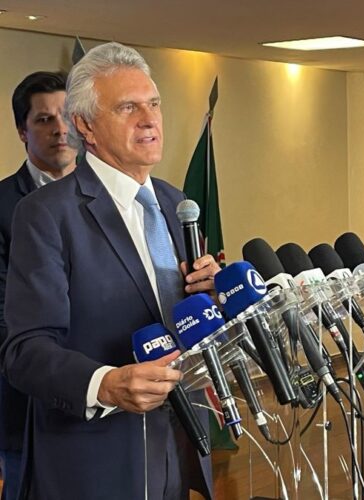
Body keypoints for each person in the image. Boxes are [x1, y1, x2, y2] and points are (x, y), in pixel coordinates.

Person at [0, 42, 219, 499]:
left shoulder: (175, 202)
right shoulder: (46, 213)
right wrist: (105, 384)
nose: (149, 119)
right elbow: (26, 351)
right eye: (128, 107)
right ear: (86, 126)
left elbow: (178, 319)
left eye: (154, 104)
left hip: (178, 442)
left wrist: (212, 296)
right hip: (95, 460)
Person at [0, 71, 77, 500]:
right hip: (27, 401)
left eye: (66, 116)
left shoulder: (115, 199)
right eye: (44, 120)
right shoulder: (3, 206)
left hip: (111, 397)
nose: (60, 129)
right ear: (22, 131)